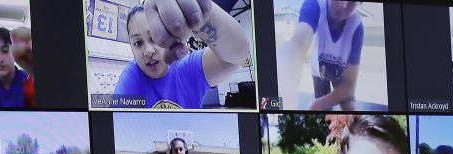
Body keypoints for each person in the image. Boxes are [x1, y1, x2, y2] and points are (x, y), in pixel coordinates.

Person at [111, 0, 251, 109]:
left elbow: (237, 55)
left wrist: (199, 17)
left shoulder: (187, 68)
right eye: (138, 43)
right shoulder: (132, 75)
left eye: (153, 37)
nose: (148, 51)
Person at [277, 0, 365, 110]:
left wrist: (320, 103)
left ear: (360, 4)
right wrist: (286, 67)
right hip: (319, 72)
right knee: (323, 111)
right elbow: (298, 41)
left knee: (350, 108)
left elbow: (348, 87)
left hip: (341, 72)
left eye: (352, 1)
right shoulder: (315, 4)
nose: (344, 5)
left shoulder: (357, 27)